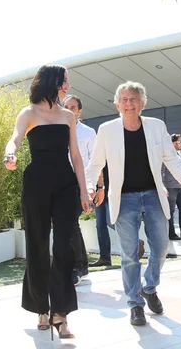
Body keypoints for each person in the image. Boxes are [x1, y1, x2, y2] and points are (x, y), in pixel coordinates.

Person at [85, 81, 181, 326]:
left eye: (134, 99)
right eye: (124, 99)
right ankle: (135, 303)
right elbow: (94, 164)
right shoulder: (107, 130)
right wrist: (91, 186)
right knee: (130, 255)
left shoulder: (156, 126)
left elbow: (171, 158)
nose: (129, 103)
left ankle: (149, 286)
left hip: (153, 195)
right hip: (124, 199)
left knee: (162, 247)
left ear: (143, 103)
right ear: (116, 104)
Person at [4, 65, 91, 338]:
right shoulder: (28, 112)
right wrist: (10, 155)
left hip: (66, 184)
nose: (67, 86)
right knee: (38, 244)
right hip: (37, 183)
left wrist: (84, 191)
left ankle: (61, 313)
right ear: (51, 81)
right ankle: (41, 307)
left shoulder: (68, 115)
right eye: (63, 81)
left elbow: (75, 156)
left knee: (64, 247)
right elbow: (15, 139)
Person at [63, 94, 101, 284]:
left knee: (70, 223)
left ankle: (78, 267)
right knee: (68, 224)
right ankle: (80, 266)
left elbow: (97, 161)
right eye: (66, 106)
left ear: (79, 111)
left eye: (73, 107)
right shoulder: (57, 129)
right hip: (61, 183)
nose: (69, 110)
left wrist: (99, 187)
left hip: (82, 183)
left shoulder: (88, 132)